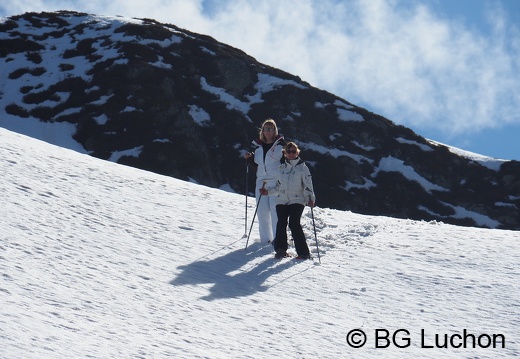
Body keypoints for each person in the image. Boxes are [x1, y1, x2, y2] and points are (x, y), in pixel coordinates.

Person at [260, 142, 316, 259]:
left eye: (293, 151)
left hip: (297, 199)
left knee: (294, 223)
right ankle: (280, 250)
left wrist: (310, 199)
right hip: (282, 199)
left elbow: (308, 186)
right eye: (288, 152)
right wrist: (268, 192)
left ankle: (303, 253)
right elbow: (278, 186)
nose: (291, 154)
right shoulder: (281, 168)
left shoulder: (303, 168)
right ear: (285, 153)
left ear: (297, 153)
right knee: (281, 223)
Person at [244, 119, 286, 243]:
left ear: (275, 131)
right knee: (262, 211)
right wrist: (249, 159)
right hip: (261, 182)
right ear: (262, 131)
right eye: (266, 129)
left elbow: (286, 162)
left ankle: (277, 239)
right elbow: (258, 166)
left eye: (271, 129)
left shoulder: (280, 146)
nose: (268, 131)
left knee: (275, 211)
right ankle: (265, 239)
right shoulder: (258, 147)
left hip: (275, 182)